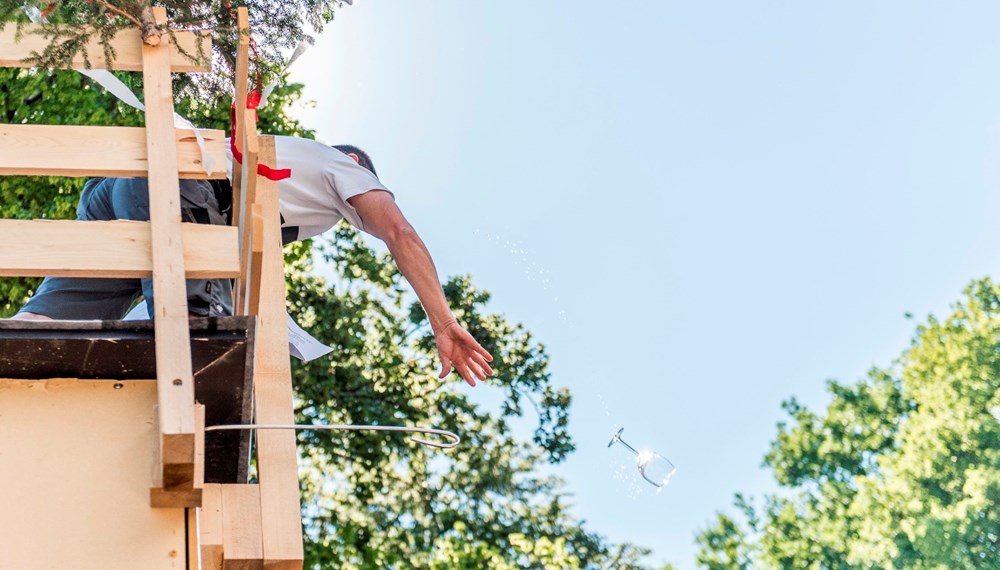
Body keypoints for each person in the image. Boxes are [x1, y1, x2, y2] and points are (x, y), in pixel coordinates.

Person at [13, 138, 494, 386]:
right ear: (355, 162)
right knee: (202, 331)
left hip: (119, 188)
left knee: (42, 324)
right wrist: (444, 320)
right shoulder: (341, 166)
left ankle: (24, 330)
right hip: (177, 189)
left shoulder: (289, 177)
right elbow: (400, 233)